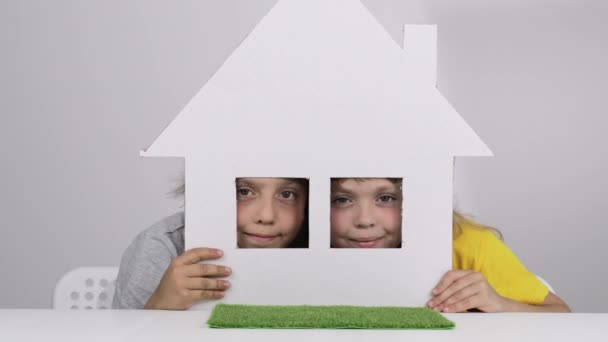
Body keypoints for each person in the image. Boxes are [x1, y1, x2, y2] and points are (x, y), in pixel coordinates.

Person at [329, 177, 571, 313]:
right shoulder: (302, 251)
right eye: (342, 200)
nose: (364, 220)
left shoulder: (468, 245)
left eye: (386, 198)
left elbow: (561, 313)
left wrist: (500, 303)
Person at [112, 177, 308, 310]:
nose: (266, 216)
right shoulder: (162, 246)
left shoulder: (324, 244)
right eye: (244, 192)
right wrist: (161, 305)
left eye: (286, 194)